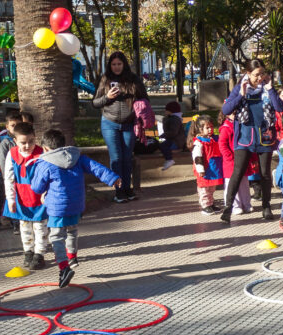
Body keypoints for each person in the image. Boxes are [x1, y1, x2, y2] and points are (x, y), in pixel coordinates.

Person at [31, 129, 120, 287]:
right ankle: (72, 257)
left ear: (45, 148)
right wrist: (112, 178)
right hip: (77, 204)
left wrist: (41, 189)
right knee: (72, 231)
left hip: (58, 208)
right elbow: (96, 168)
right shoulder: (77, 156)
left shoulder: (45, 163)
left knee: (56, 237)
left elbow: (37, 188)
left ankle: (64, 268)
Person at [219, 59, 283, 224]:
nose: (260, 77)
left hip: (265, 137)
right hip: (244, 137)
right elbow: (226, 110)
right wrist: (240, 94)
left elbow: (280, 108)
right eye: (256, 74)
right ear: (248, 73)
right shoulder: (240, 87)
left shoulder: (267, 88)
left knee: (264, 174)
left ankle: (266, 206)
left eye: (262, 73)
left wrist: (270, 89)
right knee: (238, 172)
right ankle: (228, 208)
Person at [92, 51, 149, 203]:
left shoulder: (133, 79)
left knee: (126, 157)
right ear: (110, 65)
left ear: (124, 64)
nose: (116, 67)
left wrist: (136, 101)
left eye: (119, 64)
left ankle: (127, 188)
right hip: (109, 123)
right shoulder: (106, 79)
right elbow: (95, 103)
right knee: (116, 158)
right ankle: (119, 190)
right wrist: (107, 97)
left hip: (128, 124)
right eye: (114, 64)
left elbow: (145, 98)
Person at [3, 122, 49, 270]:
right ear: (15, 141)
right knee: (25, 227)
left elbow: (48, 176)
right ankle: (28, 251)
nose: (27, 146)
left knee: (40, 227)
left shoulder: (41, 153)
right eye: (23, 142)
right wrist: (10, 199)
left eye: (31, 141)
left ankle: (39, 254)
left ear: (35, 138)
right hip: (21, 197)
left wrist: (47, 194)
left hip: (38, 197)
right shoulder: (12, 154)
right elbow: (9, 177)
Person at [218, 110, 253, 215]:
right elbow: (222, 145)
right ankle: (234, 205)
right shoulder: (226, 128)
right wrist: (230, 157)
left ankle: (246, 204)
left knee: (244, 184)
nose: (236, 115)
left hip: (242, 159)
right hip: (231, 162)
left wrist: (251, 159)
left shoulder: (242, 125)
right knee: (231, 184)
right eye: (233, 113)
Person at [190, 116, 223, 214]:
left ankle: (211, 203)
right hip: (205, 169)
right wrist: (200, 169)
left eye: (211, 127)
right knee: (204, 188)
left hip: (213, 168)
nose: (210, 129)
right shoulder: (199, 142)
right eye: (207, 128)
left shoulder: (214, 139)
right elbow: (197, 157)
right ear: (200, 129)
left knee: (211, 188)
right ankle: (205, 205)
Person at [159, 101, 186, 171]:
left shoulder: (174, 119)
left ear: (171, 111)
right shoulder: (172, 118)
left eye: (166, 110)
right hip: (174, 140)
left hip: (176, 141)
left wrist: (163, 135)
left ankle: (169, 159)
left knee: (163, 146)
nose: (165, 111)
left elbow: (173, 132)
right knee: (163, 145)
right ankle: (176, 150)